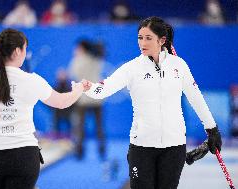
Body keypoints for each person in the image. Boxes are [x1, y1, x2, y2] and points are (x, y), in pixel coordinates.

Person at [82, 16, 222, 189]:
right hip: (142, 147)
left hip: (174, 146)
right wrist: (88, 87)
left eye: (148, 38)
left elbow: (196, 97)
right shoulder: (132, 68)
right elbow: (104, 89)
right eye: (140, 38)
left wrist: (212, 129)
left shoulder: (179, 66)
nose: (143, 43)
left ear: (161, 40)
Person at [0, 28, 85, 189]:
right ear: (17, 51)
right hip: (23, 157)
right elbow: (62, 102)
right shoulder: (32, 80)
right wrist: (78, 90)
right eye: (25, 49)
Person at [68, 39, 105, 160]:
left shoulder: (78, 60)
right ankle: (102, 149)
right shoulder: (97, 59)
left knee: (80, 126)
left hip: (83, 99)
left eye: (77, 47)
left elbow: (73, 74)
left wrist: (77, 57)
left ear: (81, 48)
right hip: (97, 97)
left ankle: (79, 151)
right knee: (99, 126)